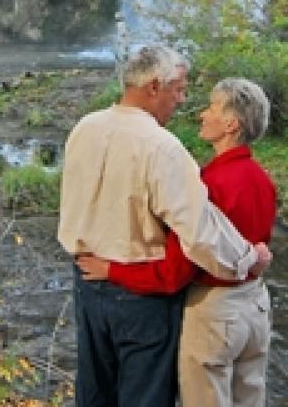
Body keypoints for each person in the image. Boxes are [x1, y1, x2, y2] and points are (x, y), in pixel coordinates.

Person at [58, 47, 272, 407]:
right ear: (155, 86)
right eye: (179, 90)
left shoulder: (84, 128)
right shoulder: (163, 147)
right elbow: (199, 232)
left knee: (94, 395)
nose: (183, 101)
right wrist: (247, 259)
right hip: (142, 294)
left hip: (86, 280)